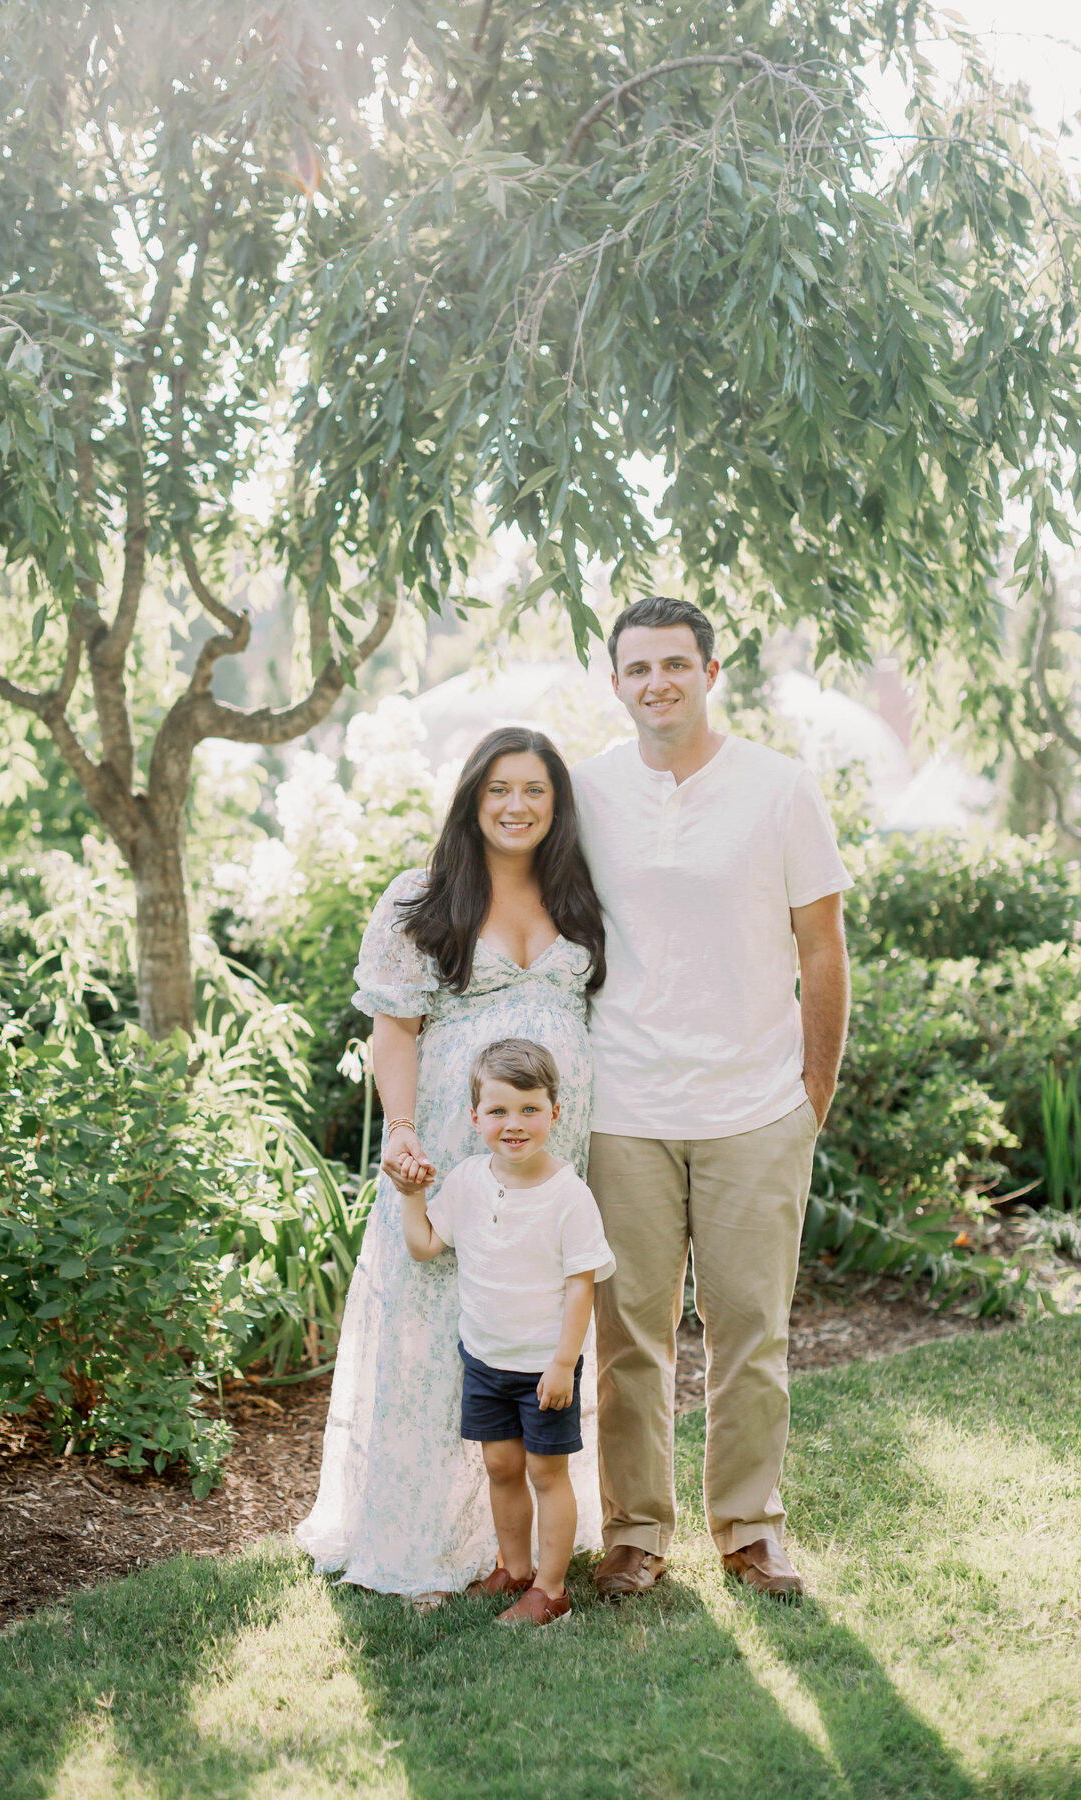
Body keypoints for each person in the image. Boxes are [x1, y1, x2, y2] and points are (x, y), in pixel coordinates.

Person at [571, 595, 852, 1601]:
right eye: (638, 668)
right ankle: (636, 1535)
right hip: (624, 1112)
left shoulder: (778, 790)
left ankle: (749, 1529)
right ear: (617, 683)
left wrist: (810, 1095)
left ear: (710, 672)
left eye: (675, 665)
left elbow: (822, 947)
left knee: (752, 1334)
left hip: (755, 1109)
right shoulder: (586, 790)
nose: (658, 684)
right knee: (627, 1341)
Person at [295, 727, 607, 1604]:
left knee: (529, 1318)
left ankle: (529, 1537)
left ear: (557, 806)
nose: (517, 806)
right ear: (473, 798)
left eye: (535, 791)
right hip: (450, 1140)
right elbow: (393, 1028)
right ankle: (422, 1533)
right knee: (435, 1329)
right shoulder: (423, 898)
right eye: (499, 789)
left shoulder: (575, 896)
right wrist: (401, 1130)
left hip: (548, 1159)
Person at [400, 1038, 615, 1627]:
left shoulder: (569, 1196)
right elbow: (423, 1247)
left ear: (555, 1114)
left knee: (547, 1473)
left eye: (528, 1109)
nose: (513, 1124)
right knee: (500, 1467)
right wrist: (411, 1192)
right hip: (486, 1360)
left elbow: (581, 1285)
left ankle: (552, 1590)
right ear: (475, 1118)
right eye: (497, 1111)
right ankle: (514, 1569)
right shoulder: (468, 1181)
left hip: (544, 1366)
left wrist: (562, 1362)